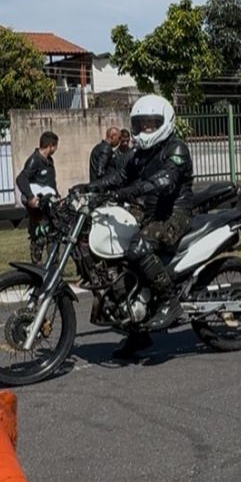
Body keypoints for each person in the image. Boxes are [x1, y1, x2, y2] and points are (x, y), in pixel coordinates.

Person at [85, 94, 193, 360]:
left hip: (174, 214)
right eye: (141, 124)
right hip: (150, 213)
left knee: (139, 246)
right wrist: (90, 187)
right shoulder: (140, 153)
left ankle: (169, 302)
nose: (145, 129)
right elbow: (120, 175)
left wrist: (130, 191)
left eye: (150, 124)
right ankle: (137, 331)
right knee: (119, 259)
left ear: (164, 122)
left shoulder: (176, 149)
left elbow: (165, 181)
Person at [15, 131, 59, 265]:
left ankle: (53, 268)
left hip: (49, 205)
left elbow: (51, 182)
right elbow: (21, 178)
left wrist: (56, 195)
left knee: (52, 237)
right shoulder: (35, 160)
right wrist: (30, 197)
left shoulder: (49, 161)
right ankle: (37, 266)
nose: (56, 149)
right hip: (37, 208)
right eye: (55, 146)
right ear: (50, 145)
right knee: (38, 238)